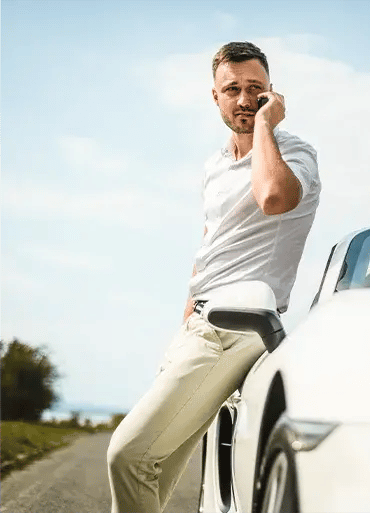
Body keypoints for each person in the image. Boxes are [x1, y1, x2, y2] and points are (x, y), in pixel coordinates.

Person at [106, 41, 321, 513]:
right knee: (152, 470)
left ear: (272, 92)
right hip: (200, 328)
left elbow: (273, 198)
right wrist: (184, 325)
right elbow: (209, 250)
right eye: (232, 89)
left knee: (127, 456)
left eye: (255, 89)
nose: (244, 99)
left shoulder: (295, 153)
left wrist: (264, 125)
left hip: (237, 326)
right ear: (215, 96)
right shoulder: (215, 165)